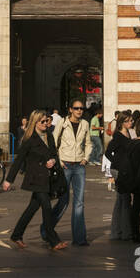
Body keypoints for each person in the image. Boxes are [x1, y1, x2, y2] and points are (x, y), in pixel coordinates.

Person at [3, 110, 67, 250]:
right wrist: (9, 180)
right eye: (42, 121)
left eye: (47, 121)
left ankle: (16, 235)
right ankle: (53, 240)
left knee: (32, 208)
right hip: (35, 178)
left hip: (47, 178)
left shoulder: (49, 136)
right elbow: (19, 161)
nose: (46, 124)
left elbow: (54, 154)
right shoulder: (29, 139)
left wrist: (52, 160)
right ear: (35, 122)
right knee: (46, 207)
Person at [51, 97, 90, 246]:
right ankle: (46, 229)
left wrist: (86, 158)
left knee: (79, 203)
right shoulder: (63, 123)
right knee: (64, 201)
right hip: (65, 164)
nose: (79, 111)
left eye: (81, 108)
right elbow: (54, 142)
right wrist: (59, 161)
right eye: (77, 108)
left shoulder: (85, 124)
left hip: (79, 165)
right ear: (70, 109)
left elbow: (88, 143)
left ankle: (79, 239)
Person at [105, 112, 133, 240]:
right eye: (127, 121)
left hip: (126, 170)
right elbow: (108, 152)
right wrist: (118, 162)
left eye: (131, 120)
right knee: (124, 200)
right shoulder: (117, 135)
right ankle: (121, 231)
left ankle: (119, 231)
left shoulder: (128, 133)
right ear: (122, 122)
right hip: (119, 171)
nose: (130, 123)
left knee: (122, 200)